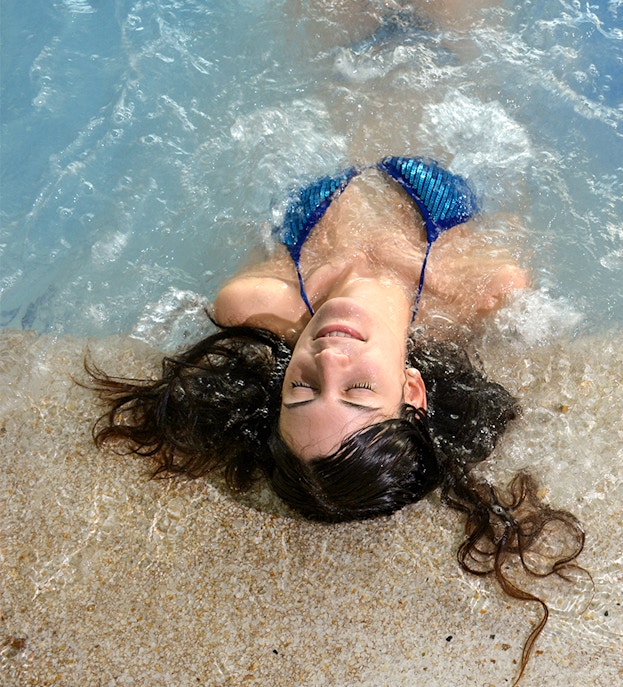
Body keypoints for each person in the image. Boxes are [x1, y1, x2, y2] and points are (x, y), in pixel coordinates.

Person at [86, 156, 583, 682]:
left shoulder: (256, 302)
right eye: (359, 390)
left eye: (301, 389)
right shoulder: (483, 290)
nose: (326, 361)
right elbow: (518, 180)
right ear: (411, 389)